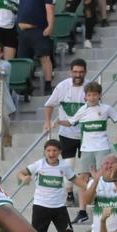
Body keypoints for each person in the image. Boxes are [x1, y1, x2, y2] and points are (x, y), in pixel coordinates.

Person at [58, 81, 117, 224]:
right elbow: (70, 122)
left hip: (102, 148)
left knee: (105, 177)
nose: (92, 97)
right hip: (86, 149)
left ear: (99, 95)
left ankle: (105, 207)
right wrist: (57, 122)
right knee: (83, 179)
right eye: (89, 95)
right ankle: (82, 212)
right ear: (85, 96)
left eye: (95, 95)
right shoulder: (82, 110)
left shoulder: (106, 108)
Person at [18, 139, 86, 232]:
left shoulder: (64, 166)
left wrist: (92, 187)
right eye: (48, 150)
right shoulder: (39, 164)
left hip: (59, 206)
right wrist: (23, 178)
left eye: (54, 150)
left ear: (60, 152)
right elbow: (21, 173)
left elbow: (76, 180)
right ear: (45, 151)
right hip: (41, 206)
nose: (51, 153)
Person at [44, 59, 89, 209]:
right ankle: (69, 194)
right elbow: (49, 104)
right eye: (75, 72)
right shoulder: (62, 86)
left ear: (85, 72)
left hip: (86, 135)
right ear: (70, 72)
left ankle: (87, 196)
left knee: (85, 169)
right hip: (66, 134)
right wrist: (47, 121)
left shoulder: (90, 87)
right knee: (68, 166)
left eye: (81, 72)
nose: (78, 75)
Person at [16, 0, 55, 96]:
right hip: (23, 32)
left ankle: (48, 85)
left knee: (45, 58)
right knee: (23, 61)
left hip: (38, 30)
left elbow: (49, 8)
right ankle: (26, 87)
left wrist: (50, 26)